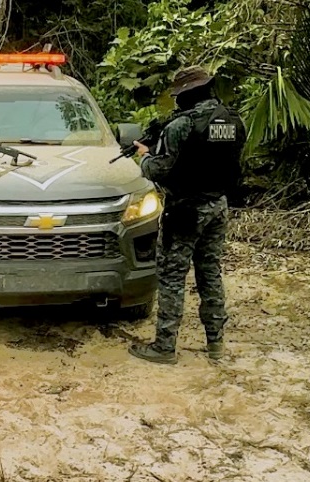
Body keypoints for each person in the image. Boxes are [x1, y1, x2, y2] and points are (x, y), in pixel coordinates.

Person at [127, 65, 246, 364]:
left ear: (187, 95)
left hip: (186, 210)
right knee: (210, 274)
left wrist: (145, 156)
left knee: (171, 277)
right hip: (218, 206)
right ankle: (215, 343)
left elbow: (159, 170)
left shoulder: (182, 125)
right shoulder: (233, 120)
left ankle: (165, 346)